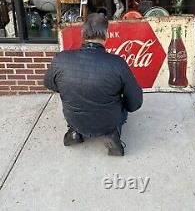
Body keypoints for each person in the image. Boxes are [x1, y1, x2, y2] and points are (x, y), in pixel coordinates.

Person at [44, 13, 143, 156]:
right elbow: (135, 103)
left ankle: (74, 132)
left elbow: (49, 84)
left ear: (83, 33)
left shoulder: (61, 59)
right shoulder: (117, 63)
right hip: (108, 122)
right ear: (106, 34)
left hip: (74, 119)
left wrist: (71, 90)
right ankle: (112, 135)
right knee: (119, 103)